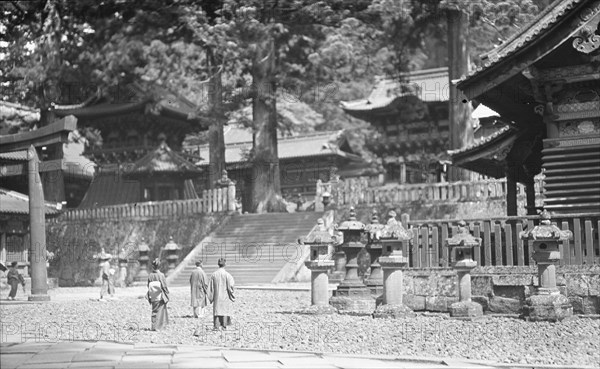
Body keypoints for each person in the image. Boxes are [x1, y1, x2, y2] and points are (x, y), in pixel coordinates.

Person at [207, 258, 235, 331]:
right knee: (224, 310)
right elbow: (231, 285)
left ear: (218, 264)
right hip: (225, 295)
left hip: (217, 296)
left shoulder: (214, 274)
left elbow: (210, 287)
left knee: (217, 310)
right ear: (225, 264)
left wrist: (211, 297)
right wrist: (231, 293)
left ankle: (216, 326)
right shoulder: (227, 274)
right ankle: (224, 326)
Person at [147, 258, 169, 331]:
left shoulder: (150, 275)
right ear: (160, 266)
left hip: (152, 294)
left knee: (154, 310)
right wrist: (166, 292)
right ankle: (158, 326)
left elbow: (148, 285)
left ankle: (153, 326)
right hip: (160, 294)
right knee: (160, 311)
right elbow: (164, 286)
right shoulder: (161, 275)